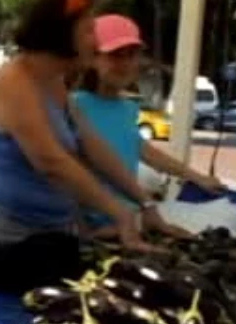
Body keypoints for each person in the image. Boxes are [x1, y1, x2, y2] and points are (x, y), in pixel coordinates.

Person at [0, 0, 178, 252]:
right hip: (8, 241)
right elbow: (51, 162)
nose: (97, 42)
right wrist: (120, 213)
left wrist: (144, 202)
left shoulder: (54, 82)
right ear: (62, 34)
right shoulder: (14, 82)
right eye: (89, 30)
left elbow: (93, 146)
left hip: (56, 232)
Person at [74, 14, 225, 232]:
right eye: (115, 55)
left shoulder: (128, 108)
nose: (125, 64)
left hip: (128, 222)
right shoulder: (73, 106)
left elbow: (143, 150)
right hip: (92, 227)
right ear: (92, 58)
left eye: (132, 55)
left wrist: (198, 177)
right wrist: (84, 231)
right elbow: (59, 172)